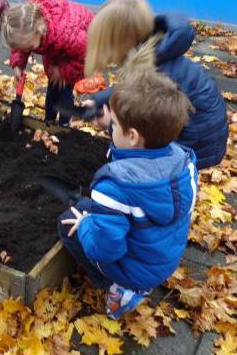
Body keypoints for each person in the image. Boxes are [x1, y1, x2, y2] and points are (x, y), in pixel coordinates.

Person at [58, 71, 198, 319]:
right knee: (94, 208)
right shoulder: (182, 162)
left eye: (116, 124)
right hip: (163, 257)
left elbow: (104, 249)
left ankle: (119, 290)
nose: (111, 127)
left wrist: (85, 225)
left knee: (68, 221)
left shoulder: (117, 186)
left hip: (134, 271)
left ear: (132, 136)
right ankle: (137, 279)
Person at [82, 0, 228, 169]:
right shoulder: (152, 51)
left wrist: (110, 124)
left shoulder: (157, 74)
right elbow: (130, 88)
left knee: (152, 178)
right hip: (195, 130)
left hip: (194, 144)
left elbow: (144, 128)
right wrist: (98, 99)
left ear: (119, 44)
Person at [2, 0, 94, 125]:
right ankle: (49, 120)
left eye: (30, 46)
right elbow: (21, 47)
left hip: (77, 54)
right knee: (52, 88)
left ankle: (64, 125)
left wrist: (63, 72)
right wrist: (18, 65)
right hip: (55, 49)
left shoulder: (67, 34)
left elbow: (86, 55)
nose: (28, 50)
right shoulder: (27, 25)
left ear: (39, 31)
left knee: (65, 91)